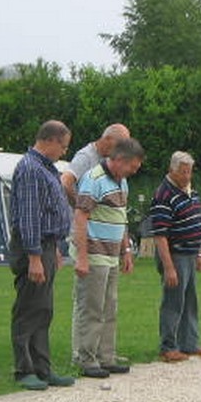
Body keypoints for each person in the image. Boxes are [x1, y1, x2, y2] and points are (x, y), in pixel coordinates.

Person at [9, 120, 76, 390]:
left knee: (44, 309)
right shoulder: (29, 169)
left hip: (48, 246)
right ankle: (23, 369)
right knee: (28, 308)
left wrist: (57, 249)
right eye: (63, 146)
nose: (63, 151)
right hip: (32, 247)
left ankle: (43, 368)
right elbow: (29, 218)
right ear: (49, 140)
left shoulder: (45, 168)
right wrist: (35, 257)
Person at [71, 138, 145, 378]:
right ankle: (87, 358)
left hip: (112, 255)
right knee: (92, 308)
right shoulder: (93, 180)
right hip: (94, 254)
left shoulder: (121, 183)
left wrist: (126, 250)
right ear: (120, 160)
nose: (133, 172)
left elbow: (120, 217)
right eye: (132, 167)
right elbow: (80, 218)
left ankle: (106, 355)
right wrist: (82, 257)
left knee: (110, 307)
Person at [149, 150, 201, 362]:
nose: (187, 176)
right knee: (173, 302)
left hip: (190, 253)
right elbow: (159, 235)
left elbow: (197, 224)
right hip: (174, 255)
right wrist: (168, 267)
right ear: (172, 171)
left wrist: (200, 252)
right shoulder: (163, 195)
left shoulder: (191, 192)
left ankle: (189, 343)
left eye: (190, 172)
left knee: (190, 301)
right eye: (183, 172)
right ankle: (168, 346)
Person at [61, 123, 131, 204]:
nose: (120, 150)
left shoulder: (110, 159)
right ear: (107, 139)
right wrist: (80, 205)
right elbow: (65, 182)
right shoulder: (85, 157)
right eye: (118, 145)